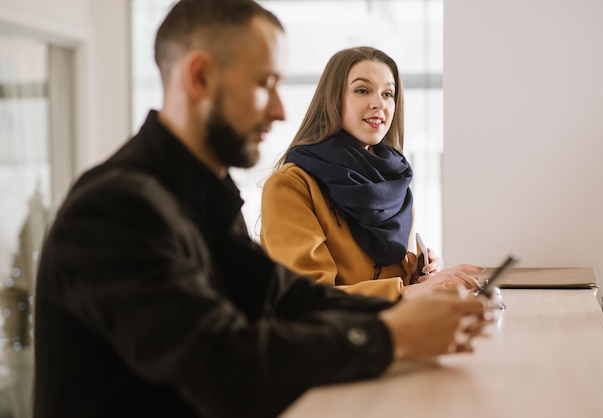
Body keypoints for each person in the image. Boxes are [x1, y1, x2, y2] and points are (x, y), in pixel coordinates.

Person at [33, 2, 493, 417]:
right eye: (265, 84)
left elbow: (283, 296)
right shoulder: (115, 209)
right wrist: (392, 336)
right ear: (199, 78)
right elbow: (224, 363)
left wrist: (408, 312)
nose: (279, 110)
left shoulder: (205, 191)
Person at [260, 46, 484, 301]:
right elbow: (307, 299)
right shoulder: (290, 186)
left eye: (388, 93)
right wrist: (407, 292)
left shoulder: (395, 188)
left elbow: (387, 286)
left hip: (390, 333)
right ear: (333, 99)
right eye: (362, 90)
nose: (379, 103)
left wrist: (420, 278)